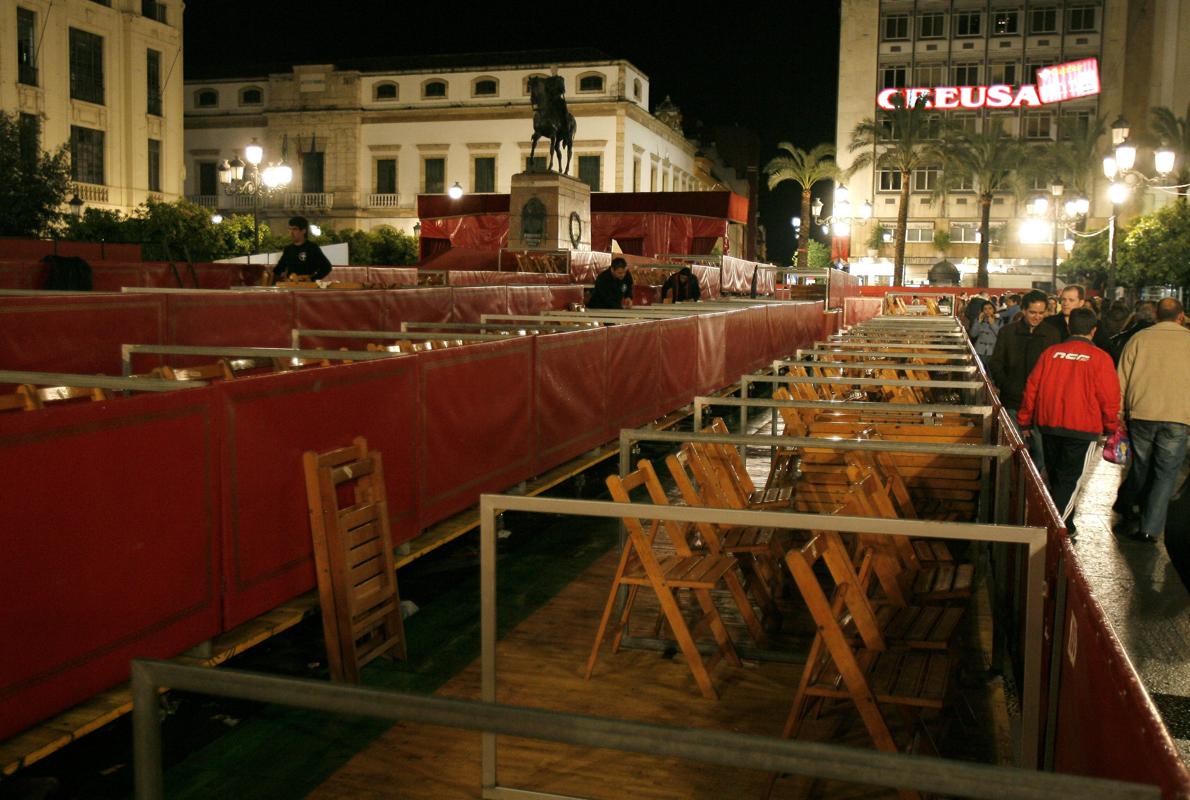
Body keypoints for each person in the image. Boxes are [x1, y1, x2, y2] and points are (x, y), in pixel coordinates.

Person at [1018, 307, 1120, 538]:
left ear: (1068, 327)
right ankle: (1055, 531)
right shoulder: (1101, 358)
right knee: (1070, 480)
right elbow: (1109, 397)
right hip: (1083, 428)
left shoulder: (1051, 353)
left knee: (1056, 476)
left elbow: (1031, 388)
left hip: (1049, 424)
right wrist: (1111, 426)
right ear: (1093, 330)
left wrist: (1025, 421)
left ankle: (1063, 523)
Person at [1113, 298, 1190, 544]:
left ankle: (1129, 506)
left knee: (1140, 466)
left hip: (1142, 413)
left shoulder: (1140, 338)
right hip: (1179, 416)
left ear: (1157, 315)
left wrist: (1119, 412)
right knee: (1166, 473)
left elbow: (1121, 378)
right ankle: (1150, 528)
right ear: (1181, 317)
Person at [988, 290, 1061, 470]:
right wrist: (1006, 384)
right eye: (1032, 312)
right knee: (1013, 447)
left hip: (1040, 403)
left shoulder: (1052, 334)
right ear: (1024, 310)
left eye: (1041, 313)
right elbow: (996, 362)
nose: (1037, 317)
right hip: (1013, 399)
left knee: (1040, 452)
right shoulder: (1008, 332)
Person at [273, 216, 332, 282]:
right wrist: (285, 277)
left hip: (307, 287)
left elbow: (327, 267)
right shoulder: (288, 249)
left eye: (295, 229)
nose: (291, 233)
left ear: (303, 231)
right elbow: (278, 269)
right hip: (290, 287)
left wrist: (312, 279)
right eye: (290, 229)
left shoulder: (312, 247)